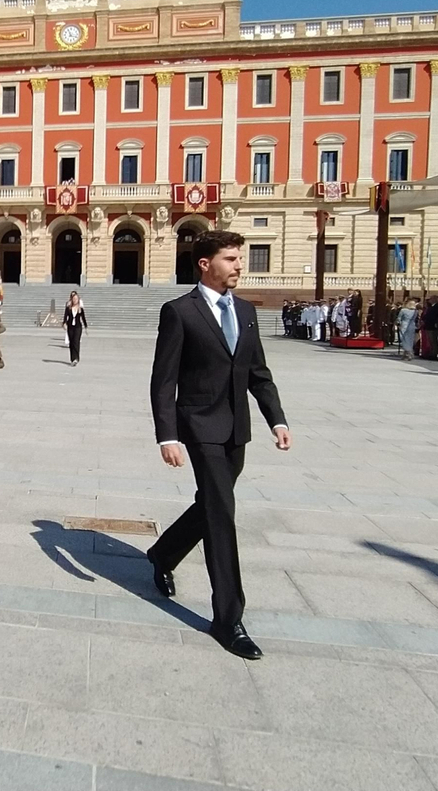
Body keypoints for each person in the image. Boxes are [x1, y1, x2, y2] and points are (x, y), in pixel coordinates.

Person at [147, 230, 291, 661]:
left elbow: (257, 373)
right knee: (222, 515)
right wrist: (167, 434)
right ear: (205, 264)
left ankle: (163, 552)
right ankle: (228, 619)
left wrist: (277, 418)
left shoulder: (246, 311)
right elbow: (163, 379)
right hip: (199, 427)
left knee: (212, 504)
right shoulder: (179, 312)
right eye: (231, 258)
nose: (239, 265)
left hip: (237, 429)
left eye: (240, 258)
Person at [63, 291, 88, 366]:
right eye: (74, 299)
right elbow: (65, 317)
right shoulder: (68, 308)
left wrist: (86, 327)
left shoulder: (80, 309)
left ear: (78, 300)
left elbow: (83, 318)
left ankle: (76, 358)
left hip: (78, 327)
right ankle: (72, 358)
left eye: (76, 299)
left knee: (76, 342)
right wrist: (64, 323)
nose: (75, 300)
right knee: (71, 343)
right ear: (72, 299)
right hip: (70, 327)